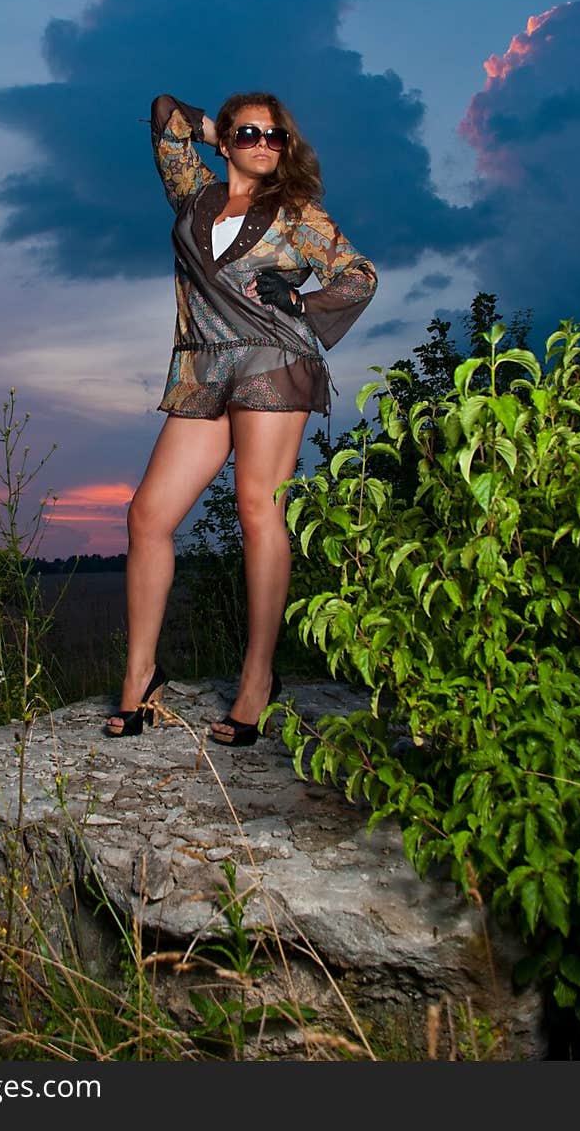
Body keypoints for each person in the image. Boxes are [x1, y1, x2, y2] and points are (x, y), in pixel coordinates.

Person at [104, 91, 378, 746]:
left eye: (275, 135)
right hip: (204, 368)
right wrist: (212, 129)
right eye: (249, 133)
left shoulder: (295, 213)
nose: (263, 143)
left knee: (257, 506)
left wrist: (306, 300)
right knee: (148, 515)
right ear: (225, 142)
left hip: (272, 359)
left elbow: (359, 274)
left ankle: (258, 678)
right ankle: (140, 676)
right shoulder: (193, 195)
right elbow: (165, 115)